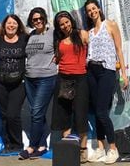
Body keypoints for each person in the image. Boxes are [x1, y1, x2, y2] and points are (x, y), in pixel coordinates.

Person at [84, 0, 127, 164]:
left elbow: (118, 49)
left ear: (99, 9)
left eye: (93, 8)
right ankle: (100, 148)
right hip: (91, 72)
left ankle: (113, 149)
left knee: (102, 111)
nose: (92, 12)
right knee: (96, 112)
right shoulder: (89, 33)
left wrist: (124, 73)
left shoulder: (110, 25)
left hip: (106, 71)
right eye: (88, 10)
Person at [19, 7, 57, 160]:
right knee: (37, 113)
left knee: (36, 112)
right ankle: (42, 145)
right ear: (31, 21)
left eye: (40, 18)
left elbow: (66, 42)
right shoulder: (30, 35)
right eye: (35, 19)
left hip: (46, 78)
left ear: (45, 18)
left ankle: (31, 146)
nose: (38, 21)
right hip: (30, 78)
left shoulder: (53, 33)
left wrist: (58, 57)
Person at [52, 11, 89, 162]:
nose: (65, 25)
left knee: (80, 113)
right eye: (61, 24)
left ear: (71, 21)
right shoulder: (59, 41)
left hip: (80, 78)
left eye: (67, 22)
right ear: (59, 27)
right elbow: (58, 59)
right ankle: (67, 148)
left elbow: (92, 52)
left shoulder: (82, 34)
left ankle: (83, 148)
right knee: (64, 112)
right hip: (63, 78)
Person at [0, 14, 28, 155]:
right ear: (4, 25)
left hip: (18, 84)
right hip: (1, 83)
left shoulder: (25, 39)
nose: (11, 25)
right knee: (4, 114)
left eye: (14, 23)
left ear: (18, 25)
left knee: (13, 114)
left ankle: (17, 143)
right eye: (9, 23)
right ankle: (8, 142)